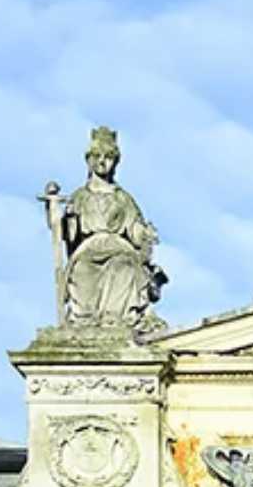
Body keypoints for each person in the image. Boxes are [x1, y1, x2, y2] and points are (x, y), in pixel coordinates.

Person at [42, 125, 166, 333]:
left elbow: (135, 230)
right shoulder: (80, 196)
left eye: (108, 157)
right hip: (89, 250)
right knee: (82, 269)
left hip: (119, 249)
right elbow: (68, 233)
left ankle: (114, 320)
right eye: (97, 156)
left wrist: (145, 236)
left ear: (115, 162)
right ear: (89, 161)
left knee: (124, 266)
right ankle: (85, 319)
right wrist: (54, 213)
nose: (102, 161)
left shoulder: (123, 198)